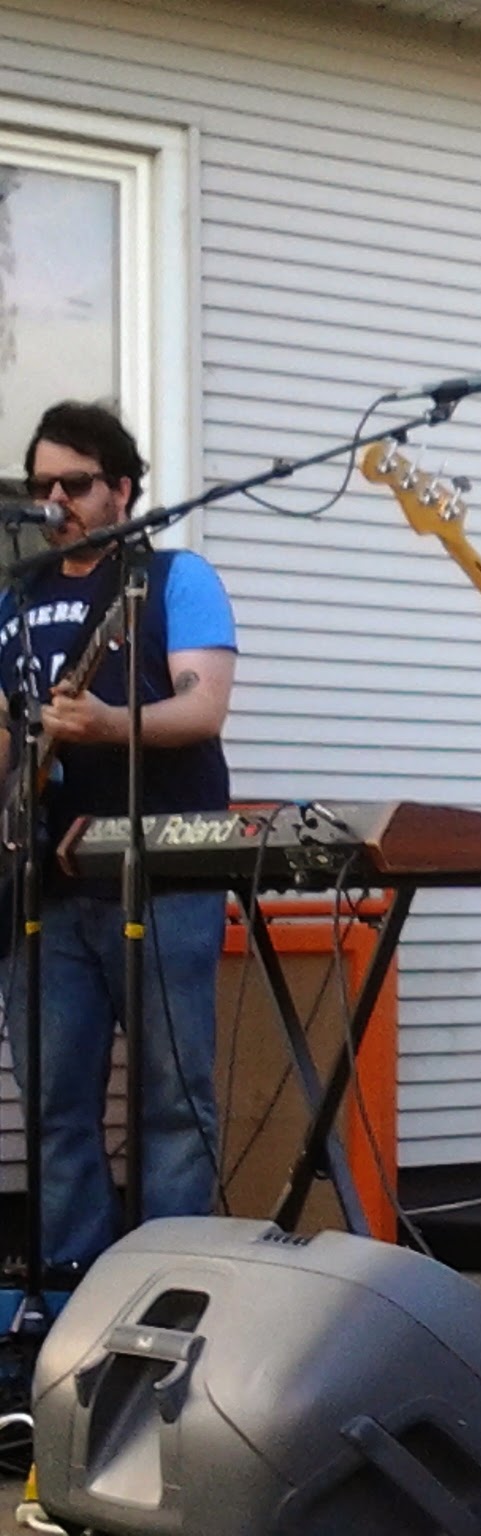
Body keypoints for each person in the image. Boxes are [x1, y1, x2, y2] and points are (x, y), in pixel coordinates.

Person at [2, 401, 237, 1281]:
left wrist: (104, 723)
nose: (56, 499)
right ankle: (71, 1295)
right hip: (44, 889)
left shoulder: (172, 577)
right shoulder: (16, 597)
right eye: (42, 485)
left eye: (76, 483)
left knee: (174, 1103)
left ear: (123, 489)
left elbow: (202, 706)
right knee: (55, 1106)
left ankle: (166, 1288)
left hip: (162, 872)